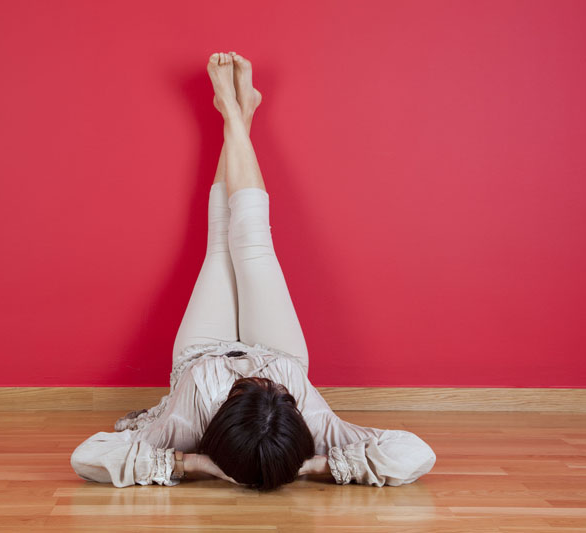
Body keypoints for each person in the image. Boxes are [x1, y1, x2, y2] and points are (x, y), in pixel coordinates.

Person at [70, 52, 437, 491]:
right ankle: (235, 112)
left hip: (201, 354)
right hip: (279, 348)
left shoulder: (185, 423)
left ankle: (237, 112)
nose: (252, 378)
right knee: (253, 242)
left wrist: (194, 465)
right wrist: (313, 467)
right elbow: (418, 453)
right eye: (276, 395)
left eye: (246, 392)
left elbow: (86, 456)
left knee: (221, 241)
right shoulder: (314, 422)